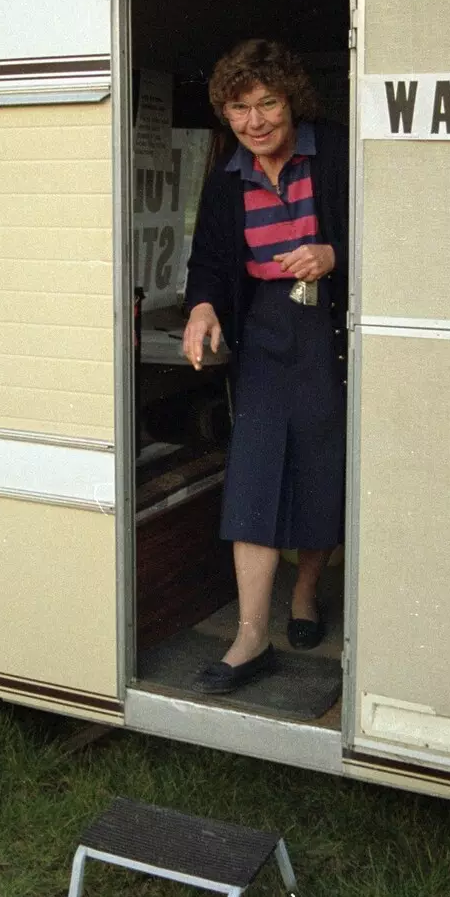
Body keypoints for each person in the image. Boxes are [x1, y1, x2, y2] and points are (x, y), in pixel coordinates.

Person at [182, 38, 348, 694]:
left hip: (326, 329)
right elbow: (211, 261)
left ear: (291, 101)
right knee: (252, 476)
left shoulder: (331, 151)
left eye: (267, 104)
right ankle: (251, 635)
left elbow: (392, 224)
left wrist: (334, 255)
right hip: (264, 332)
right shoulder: (228, 177)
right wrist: (201, 307)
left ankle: (305, 590)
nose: (255, 122)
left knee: (318, 469)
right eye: (238, 108)